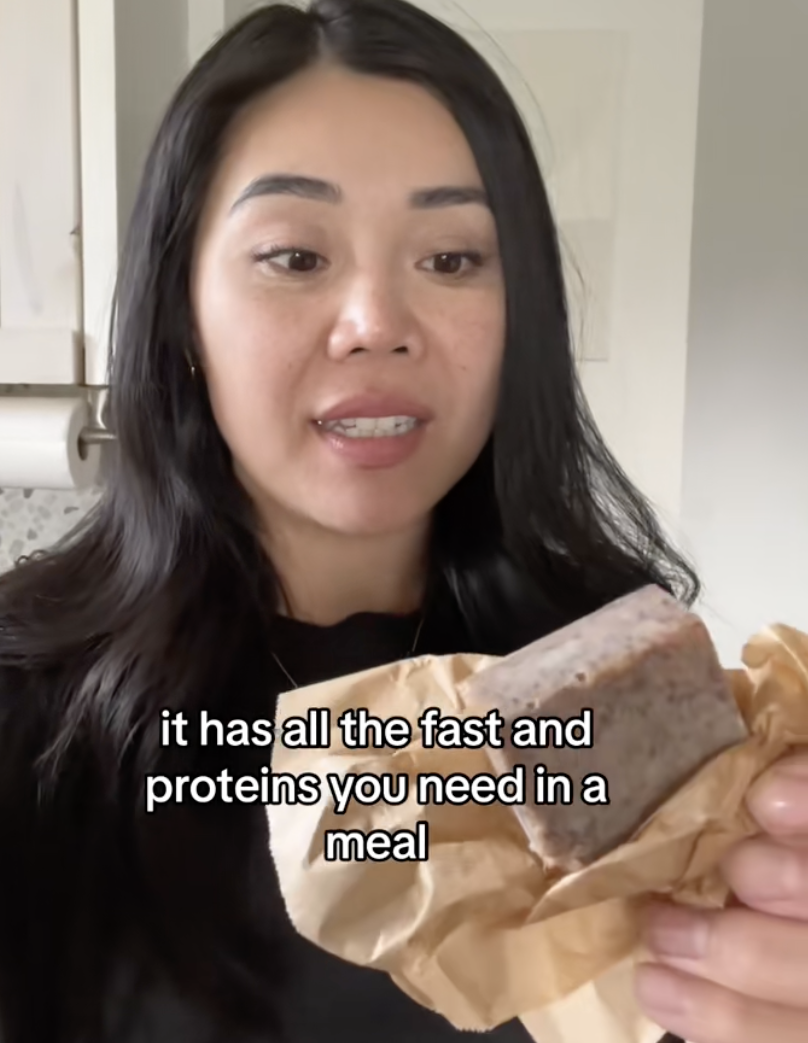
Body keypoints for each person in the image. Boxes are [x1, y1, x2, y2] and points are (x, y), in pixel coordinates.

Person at [0, 1, 806, 1041]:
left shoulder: (624, 682)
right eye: (295, 257)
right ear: (181, 313)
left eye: (452, 258)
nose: (376, 323)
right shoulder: (30, 710)